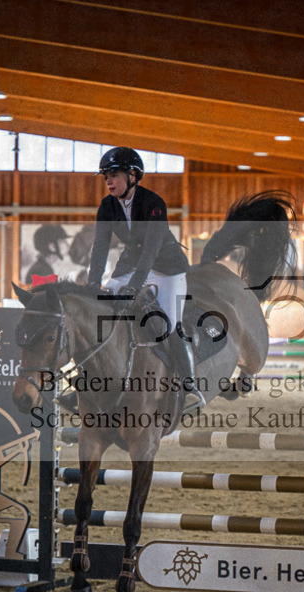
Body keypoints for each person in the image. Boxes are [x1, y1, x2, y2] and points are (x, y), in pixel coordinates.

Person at [86, 146, 204, 415]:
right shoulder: (106, 206)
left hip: (167, 269)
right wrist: (93, 284)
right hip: (130, 265)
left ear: (132, 176)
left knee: (169, 325)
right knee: (99, 313)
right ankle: (89, 383)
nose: (109, 181)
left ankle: (189, 387)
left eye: (114, 175)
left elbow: (151, 250)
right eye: (106, 177)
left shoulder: (153, 203)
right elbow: (100, 246)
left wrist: (133, 287)